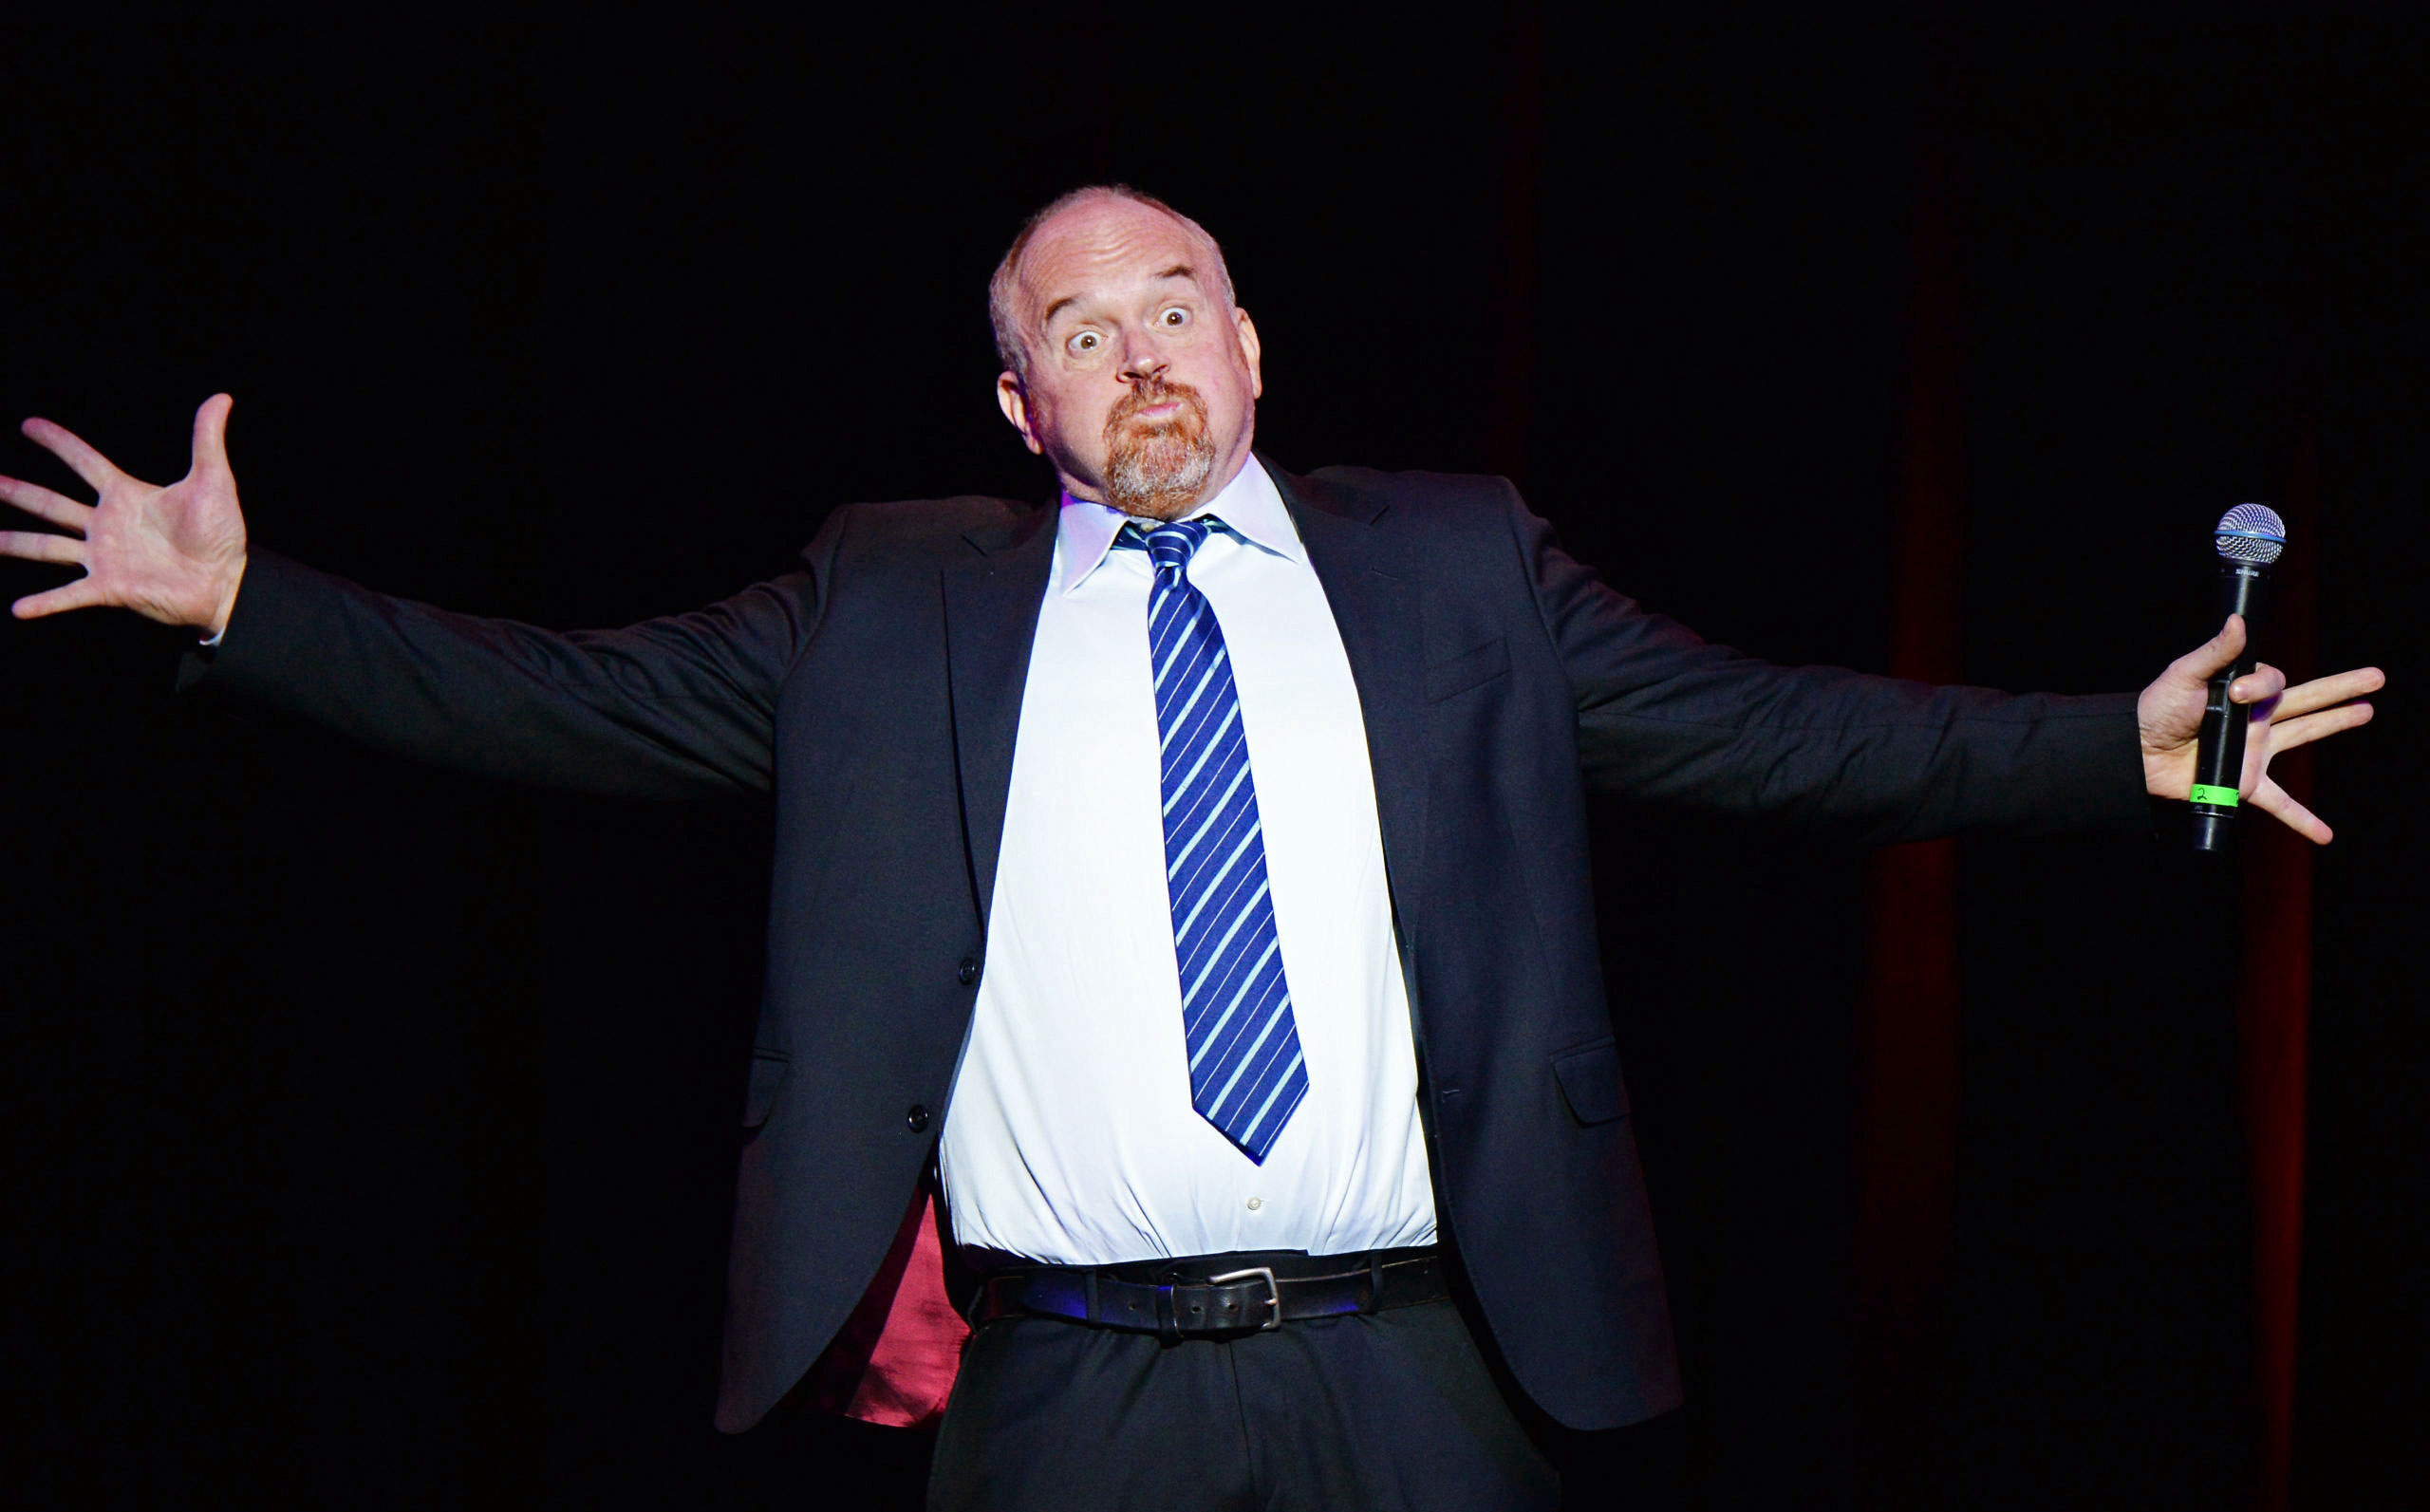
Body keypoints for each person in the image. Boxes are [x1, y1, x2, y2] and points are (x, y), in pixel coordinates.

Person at [0, 185, 2383, 1511]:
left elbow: (1769, 732)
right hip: (1071, 1397)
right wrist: (248, 606)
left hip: (1426, 1368)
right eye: (1079, 329)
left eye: (1173, 309)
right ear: (1019, 401)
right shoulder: (885, 602)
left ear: (1249, 347)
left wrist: (2112, 744)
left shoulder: (1454, 562)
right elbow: (561, 700)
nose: (1138, 354)